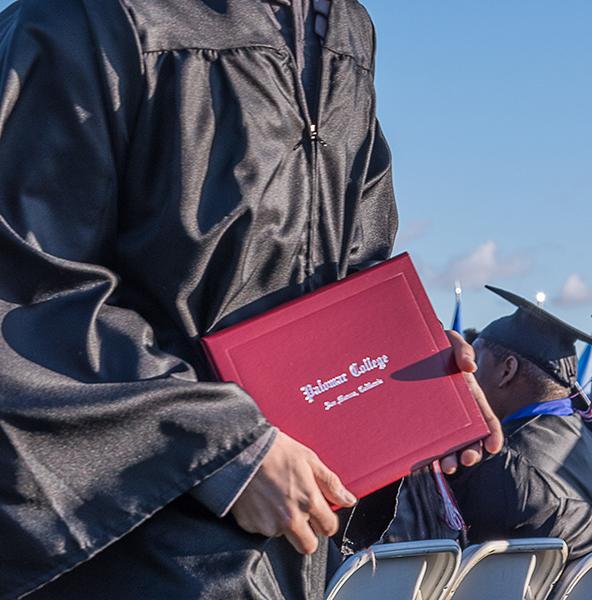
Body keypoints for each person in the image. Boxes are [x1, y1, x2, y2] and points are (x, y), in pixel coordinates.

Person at [0, 0, 501, 598]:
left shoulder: (341, 27)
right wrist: (224, 447)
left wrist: (409, 376)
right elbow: (26, 290)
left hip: (293, 538)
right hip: (139, 538)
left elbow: (355, 265)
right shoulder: (88, 18)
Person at [450, 286, 592, 560]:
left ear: (507, 370)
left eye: (476, 360)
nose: (466, 375)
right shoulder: (590, 439)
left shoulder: (503, 469)